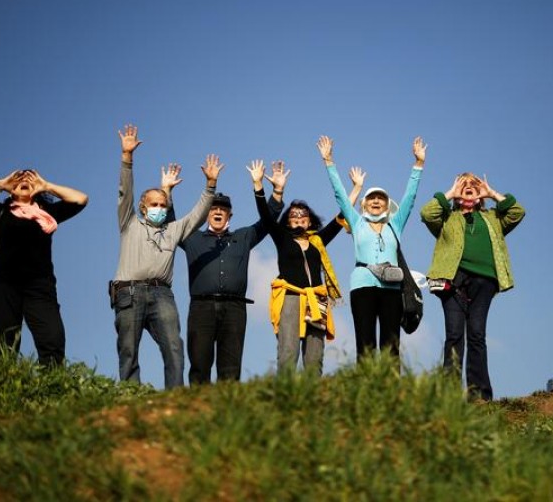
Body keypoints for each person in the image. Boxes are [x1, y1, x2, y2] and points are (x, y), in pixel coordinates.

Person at [111, 124, 220, 389]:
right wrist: (127, 158)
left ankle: (175, 394)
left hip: (162, 294)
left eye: (163, 204)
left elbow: (197, 215)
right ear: (143, 207)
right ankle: (130, 394)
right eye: (154, 204)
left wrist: (210, 185)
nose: (159, 208)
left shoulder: (173, 230)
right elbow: (125, 192)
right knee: (128, 349)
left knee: (173, 345)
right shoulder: (129, 222)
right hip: (129, 293)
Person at [165, 160, 284, 384]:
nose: (218, 211)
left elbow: (268, 222)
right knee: (199, 363)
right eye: (213, 208)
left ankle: (228, 410)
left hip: (235, 308)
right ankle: (199, 409)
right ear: (206, 214)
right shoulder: (193, 238)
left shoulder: (243, 236)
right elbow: (171, 226)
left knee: (230, 366)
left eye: (223, 209)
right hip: (202, 307)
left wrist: (277, 191)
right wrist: (167, 192)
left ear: (230, 215)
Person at [0, 169, 88, 366]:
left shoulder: (48, 214)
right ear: (11, 190)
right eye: (18, 180)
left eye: (30, 179)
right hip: (2, 284)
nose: (24, 181)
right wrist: (0, 184)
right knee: (4, 343)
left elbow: (81, 199)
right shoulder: (0, 212)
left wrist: (46, 186)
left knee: (52, 338)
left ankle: (52, 387)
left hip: (39, 285)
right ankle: (6, 388)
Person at [317, 135, 427, 361]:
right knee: (365, 342)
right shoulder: (357, 223)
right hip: (362, 286)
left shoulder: (395, 225)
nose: (376, 201)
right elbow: (340, 196)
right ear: (364, 204)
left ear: (387, 205)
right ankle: (365, 390)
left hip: (391, 289)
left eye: (381, 199)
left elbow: (410, 198)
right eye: (371, 198)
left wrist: (418, 164)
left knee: (391, 342)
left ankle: (390, 391)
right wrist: (329, 162)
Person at [420, 173, 525, 401]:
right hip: (452, 281)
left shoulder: (493, 218)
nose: (468, 188)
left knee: (477, 334)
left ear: (480, 195)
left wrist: (493, 193)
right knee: (454, 334)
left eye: (473, 186)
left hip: (485, 281)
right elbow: (426, 213)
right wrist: (449, 194)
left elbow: (518, 212)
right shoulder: (447, 217)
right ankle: (448, 396)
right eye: (463, 185)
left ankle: (479, 395)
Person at [262, 163, 364, 375]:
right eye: (293, 216)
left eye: (303, 216)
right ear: (288, 222)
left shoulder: (318, 240)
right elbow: (266, 216)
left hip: (316, 300)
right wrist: (260, 187)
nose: (299, 218)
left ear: (310, 220)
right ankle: (286, 393)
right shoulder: (282, 239)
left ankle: (312, 393)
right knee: (288, 351)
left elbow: (340, 217)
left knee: (315, 355)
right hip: (290, 297)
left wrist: (356, 189)